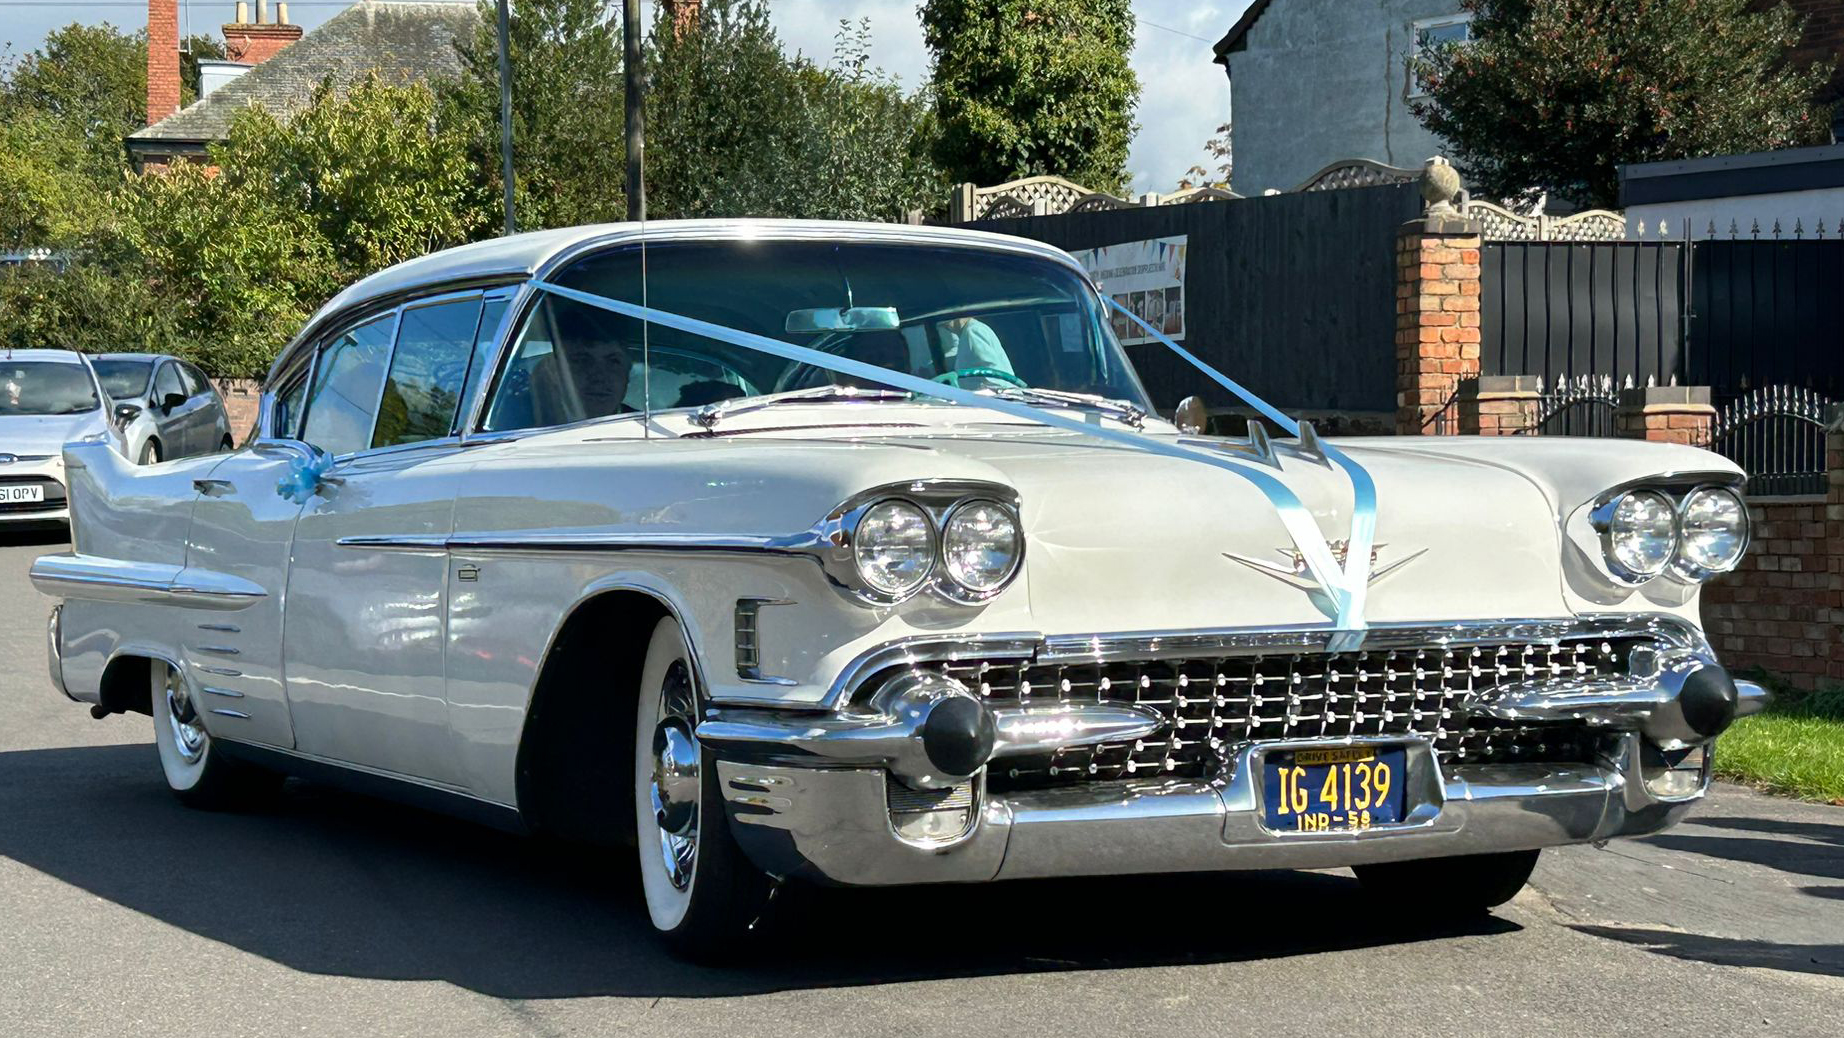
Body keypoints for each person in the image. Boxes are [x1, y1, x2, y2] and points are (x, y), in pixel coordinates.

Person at [936, 317, 1014, 377]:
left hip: (996, 395)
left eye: (946, 322)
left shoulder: (973, 331)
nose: (945, 326)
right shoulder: (966, 334)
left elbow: (990, 371)